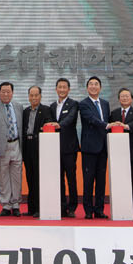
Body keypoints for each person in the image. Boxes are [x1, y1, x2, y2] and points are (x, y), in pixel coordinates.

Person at [0, 81, 23, 216]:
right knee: (3, 177)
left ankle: (16, 204)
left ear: (12, 93)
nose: (6, 94)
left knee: (17, 176)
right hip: (2, 146)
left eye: (8, 92)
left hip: (16, 145)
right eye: (3, 92)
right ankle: (6, 205)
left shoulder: (18, 106)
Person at [78, 76, 110, 218]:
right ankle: (88, 210)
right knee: (88, 180)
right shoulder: (83, 104)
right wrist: (107, 125)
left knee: (101, 180)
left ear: (100, 88)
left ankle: (99, 209)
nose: (93, 86)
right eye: (91, 84)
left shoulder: (105, 104)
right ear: (87, 88)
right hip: (89, 147)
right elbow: (91, 119)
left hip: (103, 147)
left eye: (96, 84)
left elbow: (107, 120)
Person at [21, 85, 54, 212]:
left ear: (40, 96)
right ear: (28, 97)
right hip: (27, 146)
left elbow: (49, 123)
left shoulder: (46, 110)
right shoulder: (25, 111)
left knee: (38, 177)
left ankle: (39, 208)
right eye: (31, 95)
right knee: (29, 176)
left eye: (36, 95)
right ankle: (31, 207)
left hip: (39, 146)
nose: (34, 98)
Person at [51, 77, 81, 216]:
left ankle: (72, 207)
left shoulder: (74, 104)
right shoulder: (52, 106)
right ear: (56, 89)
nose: (62, 89)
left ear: (68, 89)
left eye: (64, 87)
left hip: (69, 148)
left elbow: (70, 119)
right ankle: (61, 206)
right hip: (55, 147)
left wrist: (59, 125)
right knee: (58, 178)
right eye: (60, 87)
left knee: (71, 178)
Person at [112, 87, 133, 204]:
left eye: (127, 96)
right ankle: (121, 204)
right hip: (118, 154)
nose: (124, 98)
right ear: (119, 99)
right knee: (120, 181)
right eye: (122, 96)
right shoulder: (114, 113)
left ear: (132, 99)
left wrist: (125, 126)